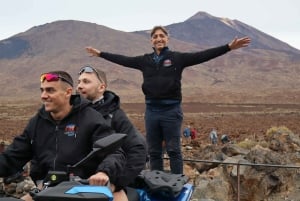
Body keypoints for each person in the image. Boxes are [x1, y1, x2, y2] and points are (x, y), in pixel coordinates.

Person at [85, 25, 251, 174]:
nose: (159, 39)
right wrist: (100, 54)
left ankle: (177, 183)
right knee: (154, 151)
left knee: (173, 150)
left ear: (167, 39)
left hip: (171, 111)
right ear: (151, 41)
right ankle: (156, 181)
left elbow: (202, 56)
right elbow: (123, 60)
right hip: (151, 112)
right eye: (155, 36)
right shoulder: (144, 60)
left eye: (161, 36)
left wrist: (228, 47)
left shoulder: (177, 58)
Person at [0, 71, 127, 201]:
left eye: (50, 90)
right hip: (47, 190)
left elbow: (115, 153)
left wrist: (104, 172)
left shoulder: (90, 118)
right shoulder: (37, 122)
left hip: (85, 191)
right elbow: (13, 155)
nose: (44, 96)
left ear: (67, 92)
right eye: (42, 90)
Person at [76, 65, 148, 189]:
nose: (79, 86)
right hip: (75, 183)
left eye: (86, 82)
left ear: (101, 87)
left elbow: (138, 149)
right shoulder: (74, 114)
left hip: (103, 184)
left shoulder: (115, 116)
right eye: (79, 82)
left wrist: (116, 184)